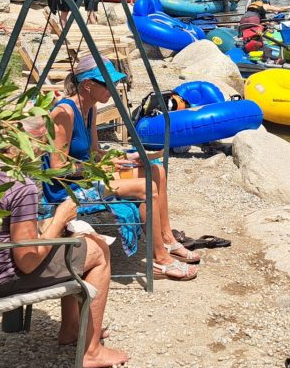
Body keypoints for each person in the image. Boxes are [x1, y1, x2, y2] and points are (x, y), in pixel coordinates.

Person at [0, 126, 128, 368]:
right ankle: (92, 351)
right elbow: (27, 262)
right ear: (28, 140)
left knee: (72, 237)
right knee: (98, 250)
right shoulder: (20, 186)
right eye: (44, 141)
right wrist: (58, 219)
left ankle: (72, 328)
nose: (45, 148)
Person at [50, 55, 200, 280]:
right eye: (109, 83)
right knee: (146, 187)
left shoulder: (89, 108)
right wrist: (102, 165)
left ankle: (167, 239)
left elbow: (93, 153)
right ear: (88, 85)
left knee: (156, 169)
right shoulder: (65, 113)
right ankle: (160, 259)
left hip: (87, 176)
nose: (115, 88)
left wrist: (123, 156)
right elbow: (58, 168)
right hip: (69, 189)